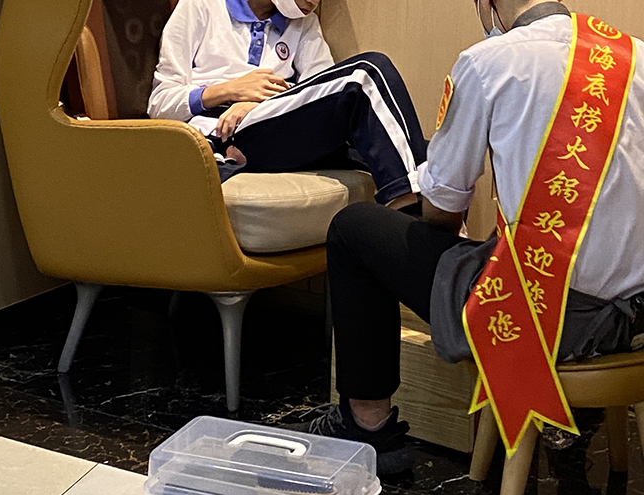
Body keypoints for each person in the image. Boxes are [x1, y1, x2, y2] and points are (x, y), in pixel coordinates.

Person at [294, 0, 644, 462]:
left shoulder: (490, 62)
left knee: (354, 229)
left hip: (557, 320)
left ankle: (367, 425)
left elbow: (442, 209)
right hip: (637, 316)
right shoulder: (634, 55)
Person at [148, 0, 428, 206]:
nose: (314, 2)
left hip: (272, 122)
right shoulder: (200, 6)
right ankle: (415, 212)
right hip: (225, 131)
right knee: (366, 73)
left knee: (417, 145)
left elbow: (321, 92)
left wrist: (264, 103)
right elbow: (160, 103)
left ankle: (418, 218)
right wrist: (229, 91)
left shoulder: (304, 23)